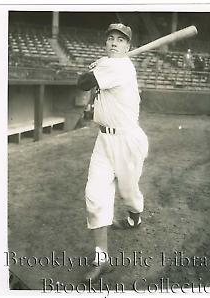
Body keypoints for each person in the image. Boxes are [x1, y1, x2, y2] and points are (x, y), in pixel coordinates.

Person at [77, 23, 148, 282]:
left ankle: (134, 217)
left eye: (121, 40)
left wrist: (94, 68)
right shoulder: (110, 64)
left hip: (128, 140)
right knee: (94, 197)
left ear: (128, 47)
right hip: (103, 141)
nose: (115, 43)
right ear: (106, 43)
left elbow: (82, 83)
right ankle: (101, 259)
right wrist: (98, 66)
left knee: (129, 194)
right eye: (111, 38)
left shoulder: (119, 66)